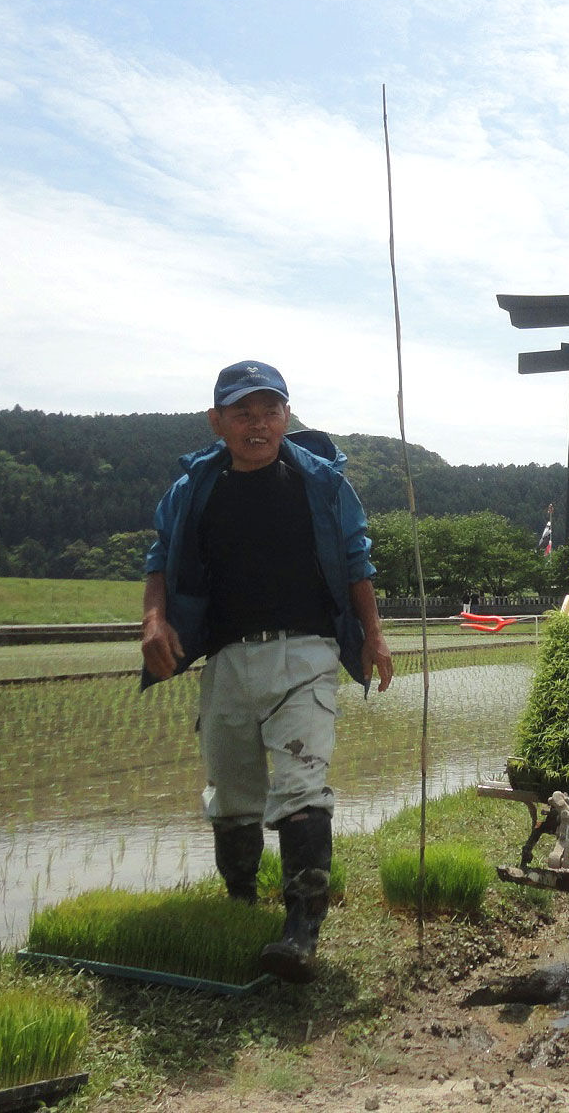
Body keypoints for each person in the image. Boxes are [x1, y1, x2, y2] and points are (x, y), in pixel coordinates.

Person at [140, 359, 393, 983]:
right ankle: (241, 906)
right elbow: (159, 560)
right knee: (232, 793)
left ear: (287, 414)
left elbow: (358, 562)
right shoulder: (193, 488)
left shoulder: (321, 484)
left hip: (304, 652)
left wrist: (375, 635)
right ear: (216, 420)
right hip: (227, 657)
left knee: (302, 785)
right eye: (243, 413)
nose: (258, 424)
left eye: (270, 411)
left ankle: (301, 931)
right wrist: (154, 620)